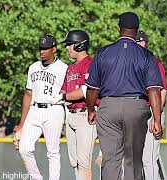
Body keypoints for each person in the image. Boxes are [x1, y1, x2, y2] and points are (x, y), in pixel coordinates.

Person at [85, 12, 163, 180]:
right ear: (137, 30)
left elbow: (92, 89)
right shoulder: (146, 56)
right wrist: (157, 119)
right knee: (133, 160)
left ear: (118, 29)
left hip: (108, 107)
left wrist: (91, 110)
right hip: (136, 107)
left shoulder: (103, 53)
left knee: (110, 160)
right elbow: (154, 91)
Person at [13, 34, 68, 180]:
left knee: (53, 152)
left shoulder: (63, 68)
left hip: (54, 109)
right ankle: (36, 178)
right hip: (34, 109)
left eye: (45, 48)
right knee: (24, 149)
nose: (42, 52)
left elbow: (67, 93)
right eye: (40, 48)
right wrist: (21, 124)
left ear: (54, 49)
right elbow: (28, 94)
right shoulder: (33, 67)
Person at [51, 30, 97, 180]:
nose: (67, 48)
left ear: (79, 45)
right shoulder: (70, 67)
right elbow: (64, 88)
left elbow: (85, 91)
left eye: (69, 44)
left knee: (84, 162)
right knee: (75, 162)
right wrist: (62, 94)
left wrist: (63, 96)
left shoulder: (90, 64)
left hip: (85, 116)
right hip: (70, 116)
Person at [136, 31, 167, 180]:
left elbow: (163, 91)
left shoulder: (154, 62)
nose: (139, 45)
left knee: (149, 159)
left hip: (152, 111)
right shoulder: (133, 64)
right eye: (137, 43)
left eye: (141, 42)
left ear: (146, 44)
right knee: (139, 159)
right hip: (138, 111)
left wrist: (156, 117)